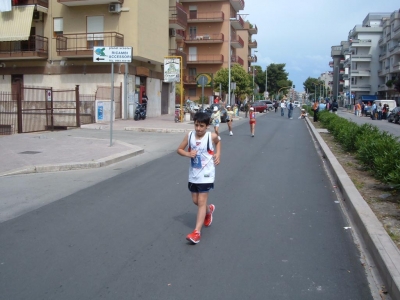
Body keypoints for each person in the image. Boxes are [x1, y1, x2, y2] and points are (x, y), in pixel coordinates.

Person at [176, 112, 221, 244]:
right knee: (196, 201)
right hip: (193, 174)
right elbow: (179, 149)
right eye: (196, 125)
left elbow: (218, 143)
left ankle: (196, 232)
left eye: (201, 126)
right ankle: (209, 210)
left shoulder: (211, 136)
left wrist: (218, 154)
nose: (198, 129)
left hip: (207, 174)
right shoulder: (189, 136)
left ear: (207, 126)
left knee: (201, 201)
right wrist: (188, 153)